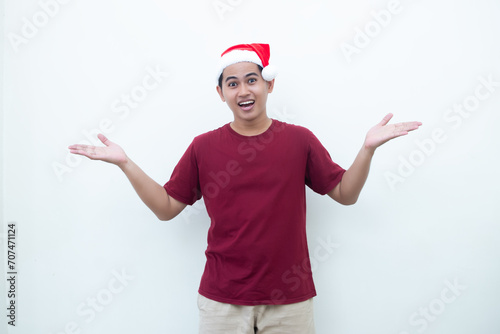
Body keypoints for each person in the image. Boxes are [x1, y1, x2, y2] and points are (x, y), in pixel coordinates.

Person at [68, 43, 422, 334]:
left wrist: (367, 149)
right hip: (222, 302)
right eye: (233, 83)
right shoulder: (203, 147)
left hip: (290, 301)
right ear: (221, 93)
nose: (243, 90)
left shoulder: (299, 140)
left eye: (251, 80)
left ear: (268, 85)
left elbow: (345, 194)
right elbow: (166, 207)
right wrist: (125, 163)